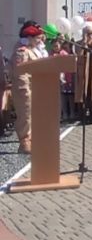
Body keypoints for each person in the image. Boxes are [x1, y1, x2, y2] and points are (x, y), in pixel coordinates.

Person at [10, 22, 46, 154]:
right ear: (29, 38)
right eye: (37, 38)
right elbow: (20, 72)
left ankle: (31, 139)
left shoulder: (32, 50)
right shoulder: (22, 51)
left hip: (34, 88)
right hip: (24, 89)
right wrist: (24, 90)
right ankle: (24, 142)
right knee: (25, 116)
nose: (39, 40)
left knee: (32, 116)